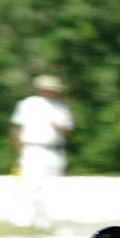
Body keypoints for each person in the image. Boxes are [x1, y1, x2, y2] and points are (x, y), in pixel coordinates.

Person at [11, 75, 74, 229]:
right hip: (33, 148)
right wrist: (20, 152)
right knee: (30, 186)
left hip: (54, 150)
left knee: (50, 188)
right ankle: (23, 221)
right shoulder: (28, 104)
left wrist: (58, 128)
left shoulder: (61, 108)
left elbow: (67, 131)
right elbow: (16, 129)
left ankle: (44, 222)